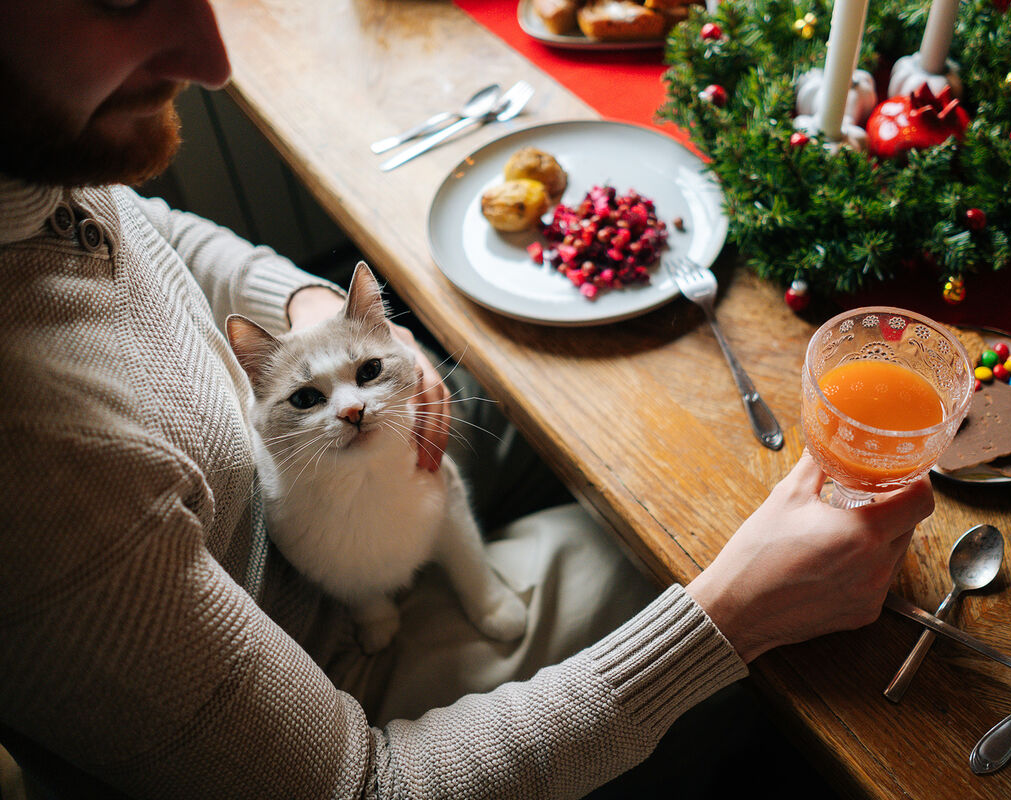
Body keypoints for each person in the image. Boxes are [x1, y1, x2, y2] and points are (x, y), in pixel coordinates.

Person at [0, 2, 935, 798]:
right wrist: (735, 615)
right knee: (687, 553)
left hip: (287, 463)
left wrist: (315, 309)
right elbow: (366, 786)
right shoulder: (43, 481)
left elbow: (154, 229)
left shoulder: (39, 168)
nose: (211, 59)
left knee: (586, 379)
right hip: (331, 667)